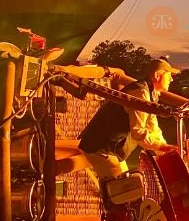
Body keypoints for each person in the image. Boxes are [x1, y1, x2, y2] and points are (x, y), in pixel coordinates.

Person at [76, 58, 180, 191]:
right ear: (157, 75)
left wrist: (164, 149)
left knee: (130, 187)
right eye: (169, 75)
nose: (171, 80)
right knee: (123, 191)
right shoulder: (140, 92)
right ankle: (111, 210)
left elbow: (152, 126)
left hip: (109, 148)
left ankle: (112, 207)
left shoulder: (151, 93)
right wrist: (163, 148)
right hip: (101, 147)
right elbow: (138, 132)